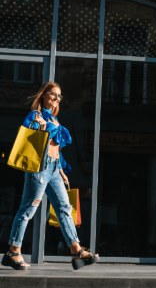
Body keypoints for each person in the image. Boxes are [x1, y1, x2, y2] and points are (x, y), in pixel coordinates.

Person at [1, 81, 99, 270]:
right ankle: (13, 251)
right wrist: (40, 127)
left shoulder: (55, 121)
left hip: (54, 169)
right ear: (44, 95)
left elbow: (56, 149)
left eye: (59, 96)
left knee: (64, 208)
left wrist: (61, 171)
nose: (56, 99)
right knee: (28, 209)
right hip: (39, 169)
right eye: (53, 94)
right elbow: (30, 139)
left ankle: (75, 250)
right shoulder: (35, 116)